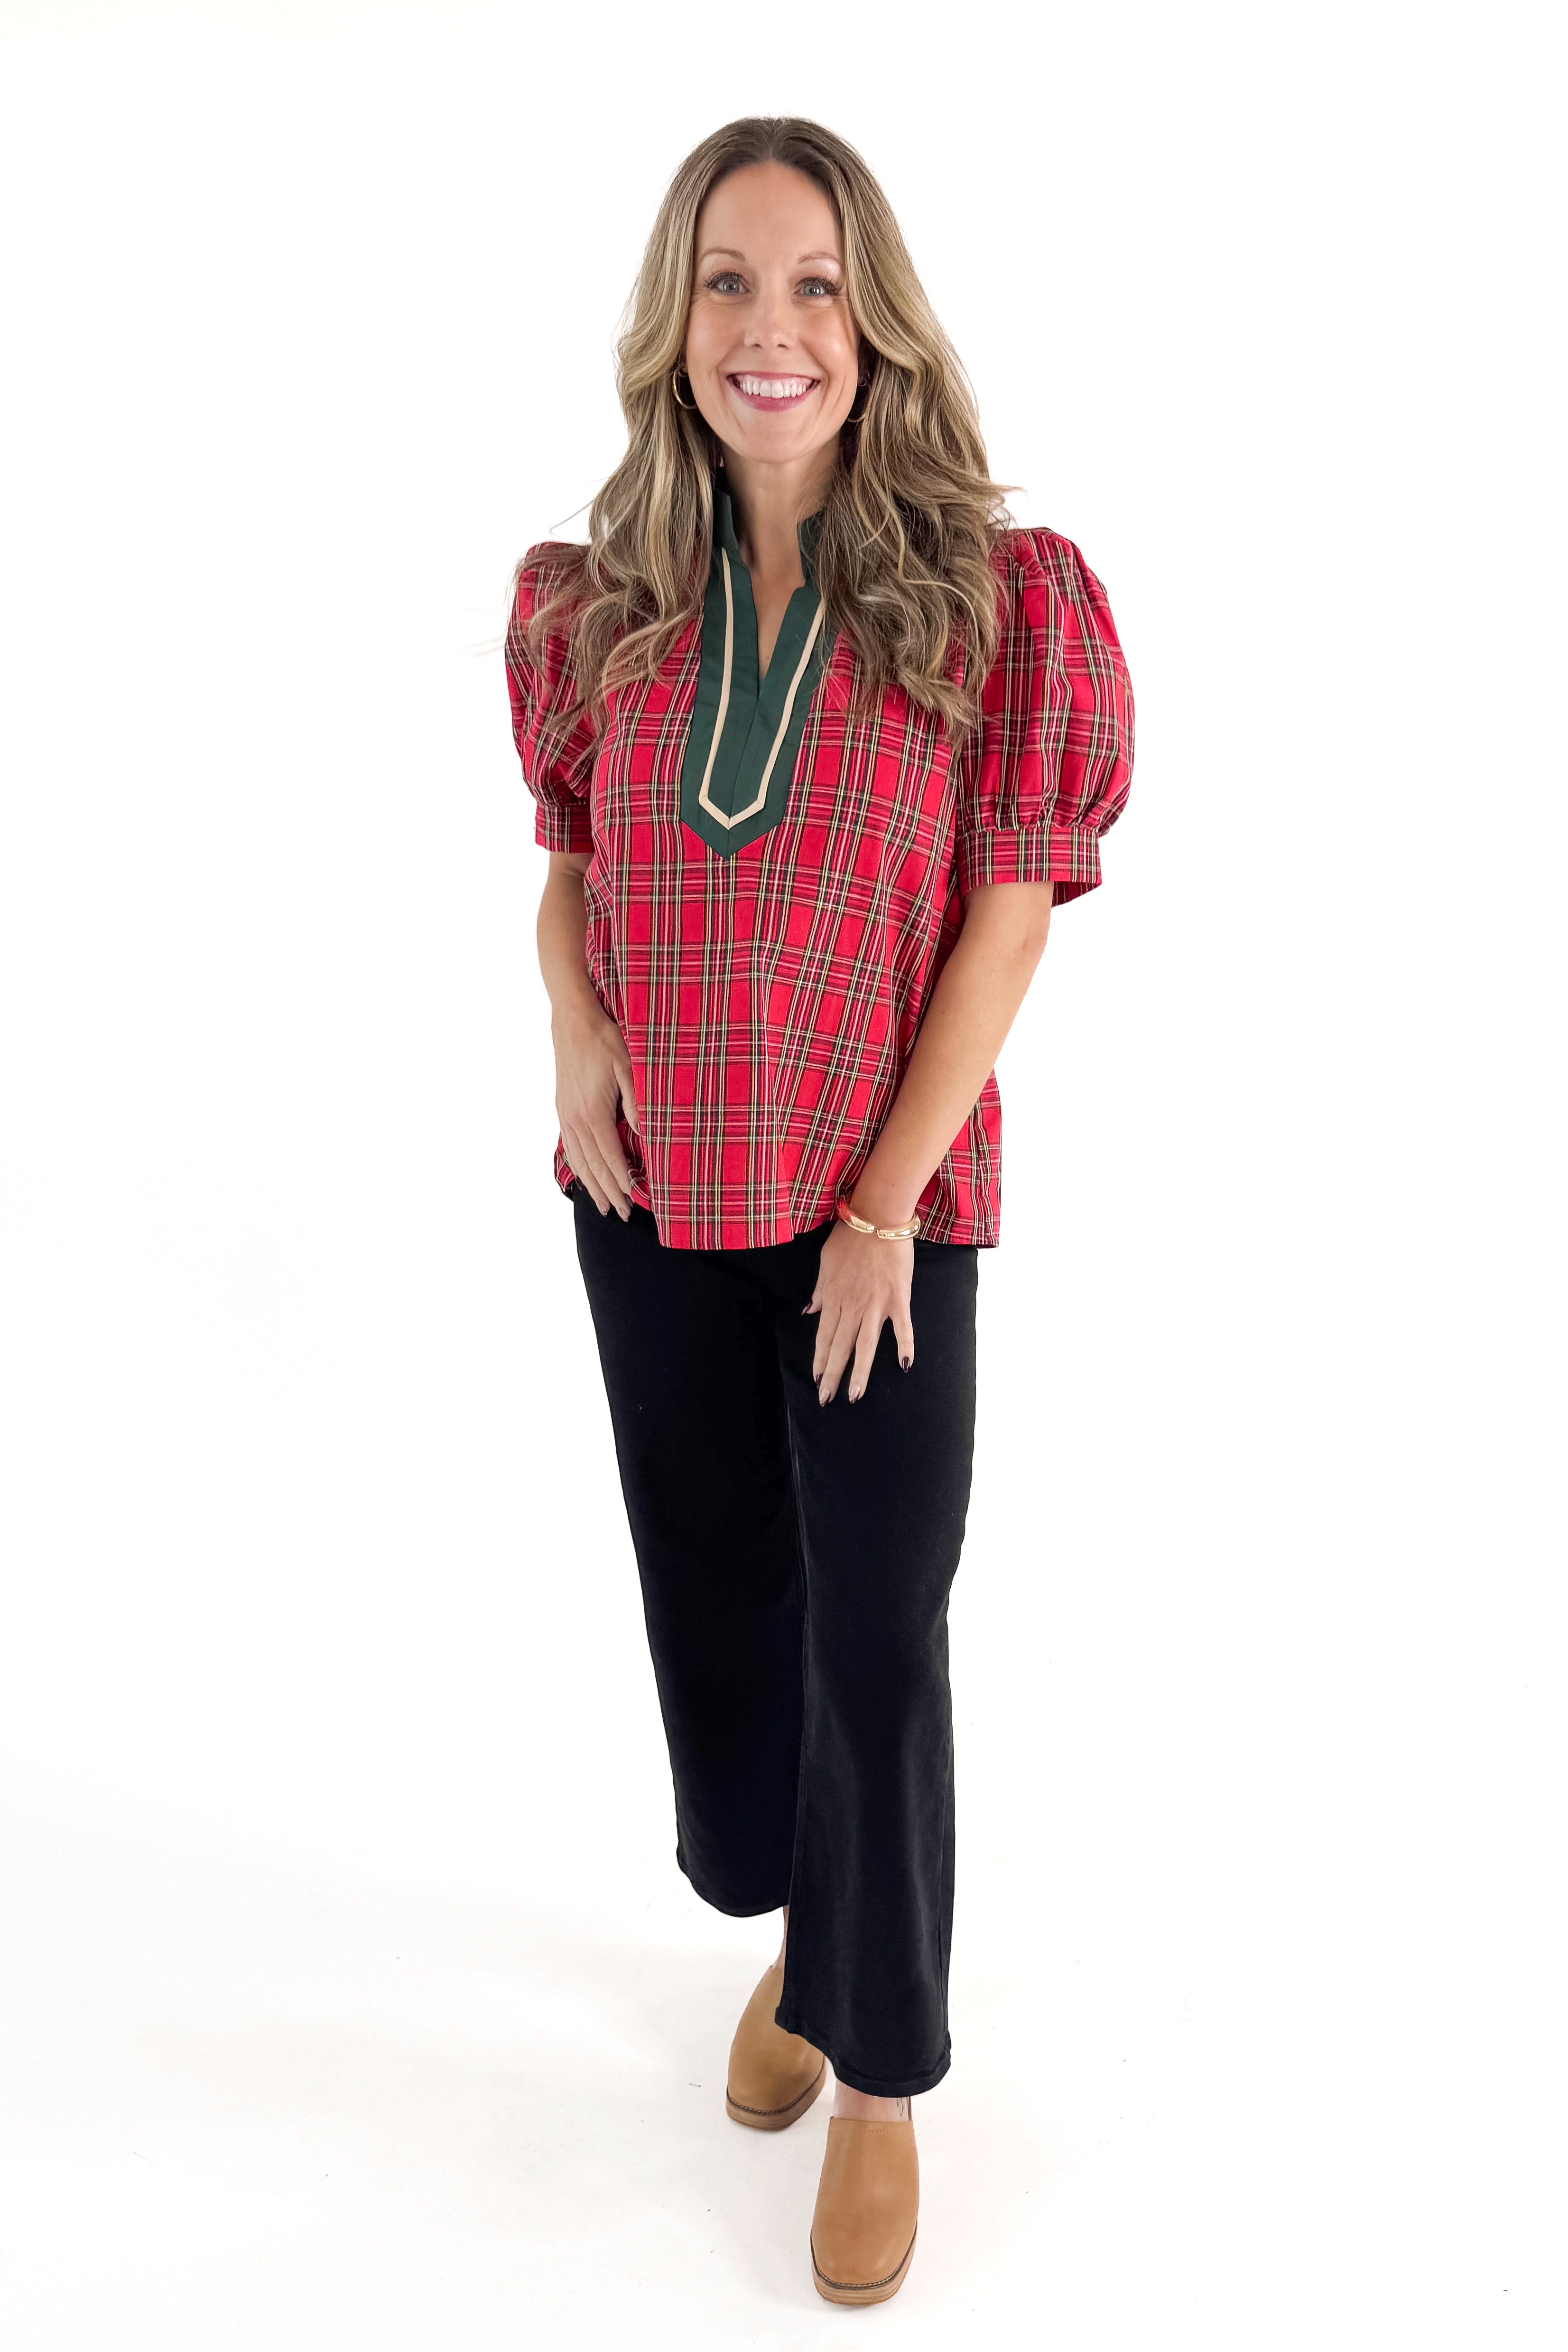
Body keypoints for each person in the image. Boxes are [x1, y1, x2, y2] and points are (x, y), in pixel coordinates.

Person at [505, 115, 1132, 2307]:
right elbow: (575, 860)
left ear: (874, 323)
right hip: (654, 1188)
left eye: (809, 284)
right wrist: (575, 1034)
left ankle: (874, 2074)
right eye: (726, 283)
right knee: (723, 1609)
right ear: (674, 323)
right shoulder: (595, 600)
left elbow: (1008, 926)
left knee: (874, 1633)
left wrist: (879, 1208)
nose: (768, 329)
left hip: (884, 1218)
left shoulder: (990, 592)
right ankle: (794, 1940)